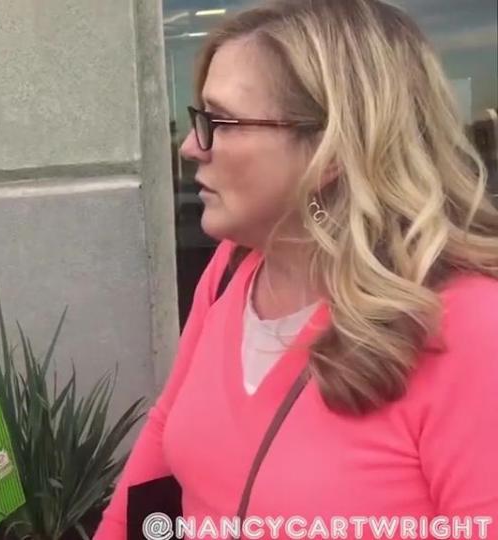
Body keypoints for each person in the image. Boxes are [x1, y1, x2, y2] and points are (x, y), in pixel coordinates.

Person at [95, 0, 498, 537]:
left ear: (329, 152)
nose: (190, 146)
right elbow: (162, 439)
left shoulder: (471, 327)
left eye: (218, 121)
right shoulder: (228, 273)